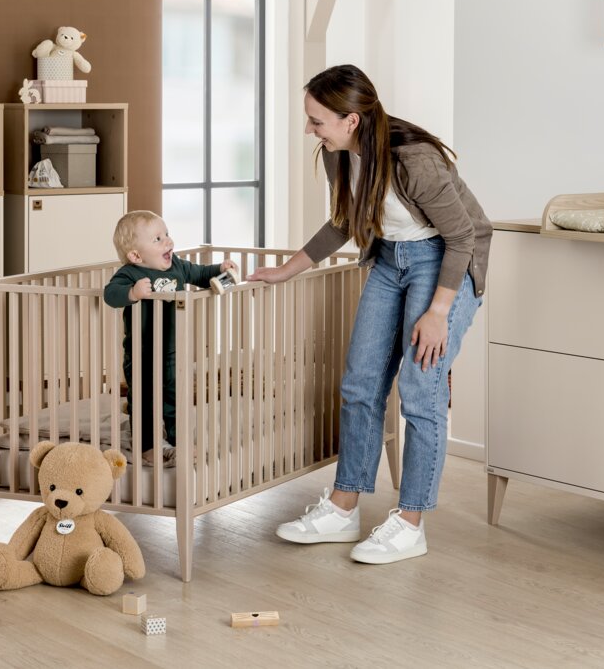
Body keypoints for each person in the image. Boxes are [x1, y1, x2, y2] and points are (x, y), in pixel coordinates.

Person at [249, 65, 491, 564]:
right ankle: (343, 509)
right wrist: (287, 270)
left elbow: (462, 236)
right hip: (390, 260)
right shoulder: (339, 156)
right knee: (360, 383)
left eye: (317, 121)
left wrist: (439, 311)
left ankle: (410, 522)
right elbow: (344, 220)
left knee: (421, 391)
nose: (311, 129)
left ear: (351, 120)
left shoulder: (414, 160)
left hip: (444, 260)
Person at [103, 211, 237, 462]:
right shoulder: (130, 274)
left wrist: (220, 268)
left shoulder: (177, 266)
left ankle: (178, 441)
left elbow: (199, 273)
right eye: (158, 239)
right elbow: (111, 294)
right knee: (143, 397)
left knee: (174, 393)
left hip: (172, 350)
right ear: (136, 255)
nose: (168, 242)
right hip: (142, 351)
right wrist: (132, 292)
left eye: (167, 234)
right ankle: (147, 446)